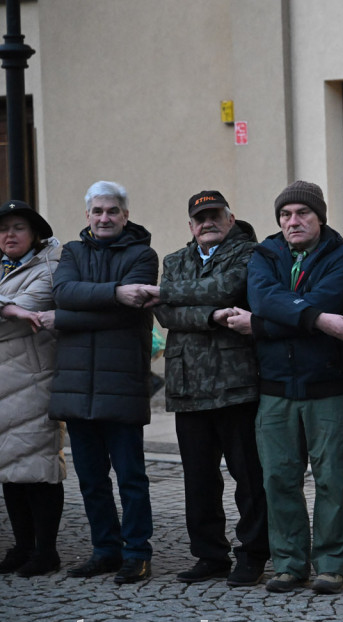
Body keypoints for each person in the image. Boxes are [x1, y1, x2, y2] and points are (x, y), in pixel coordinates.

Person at [225, 180, 343, 595]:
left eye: (302, 213)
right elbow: (265, 298)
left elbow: (328, 299)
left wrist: (260, 326)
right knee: (278, 479)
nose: (293, 221)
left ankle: (332, 563)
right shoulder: (264, 254)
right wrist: (318, 320)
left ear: (320, 216)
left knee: (333, 480)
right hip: (276, 389)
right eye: (285, 215)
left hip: (328, 388)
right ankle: (287, 563)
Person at [142, 190, 270, 587]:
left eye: (215, 216)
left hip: (237, 384)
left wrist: (169, 295)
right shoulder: (175, 260)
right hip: (188, 385)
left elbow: (227, 289)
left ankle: (252, 554)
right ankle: (209, 554)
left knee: (248, 477)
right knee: (198, 480)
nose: (207, 223)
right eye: (200, 218)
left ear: (230, 219)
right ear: (190, 226)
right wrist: (212, 316)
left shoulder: (250, 253)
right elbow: (164, 313)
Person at [47, 181, 158, 584]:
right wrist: (114, 292)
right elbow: (63, 293)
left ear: (125, 215)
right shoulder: (72, 252)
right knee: (92, 479)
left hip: (122, 383)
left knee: (131, 477)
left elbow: (128, 315)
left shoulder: (143, 255)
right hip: (77, 386)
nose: (105, 218)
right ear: (88, 216)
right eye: (98, 211)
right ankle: (105, 550)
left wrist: (65, 319)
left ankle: (138, 552)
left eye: (112, 211)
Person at [0, 201, 64, 577]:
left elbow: (30, 310)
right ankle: (23, 546)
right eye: (4, 228)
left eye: (18, 227)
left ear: (35, 234)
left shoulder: (50, 267)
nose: (9, 235)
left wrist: (10, 311)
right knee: (9, 466)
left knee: (38, 466)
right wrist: (9, 309)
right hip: (5, 381)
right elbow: (13, 313)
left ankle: (47, 550)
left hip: (33, 378)